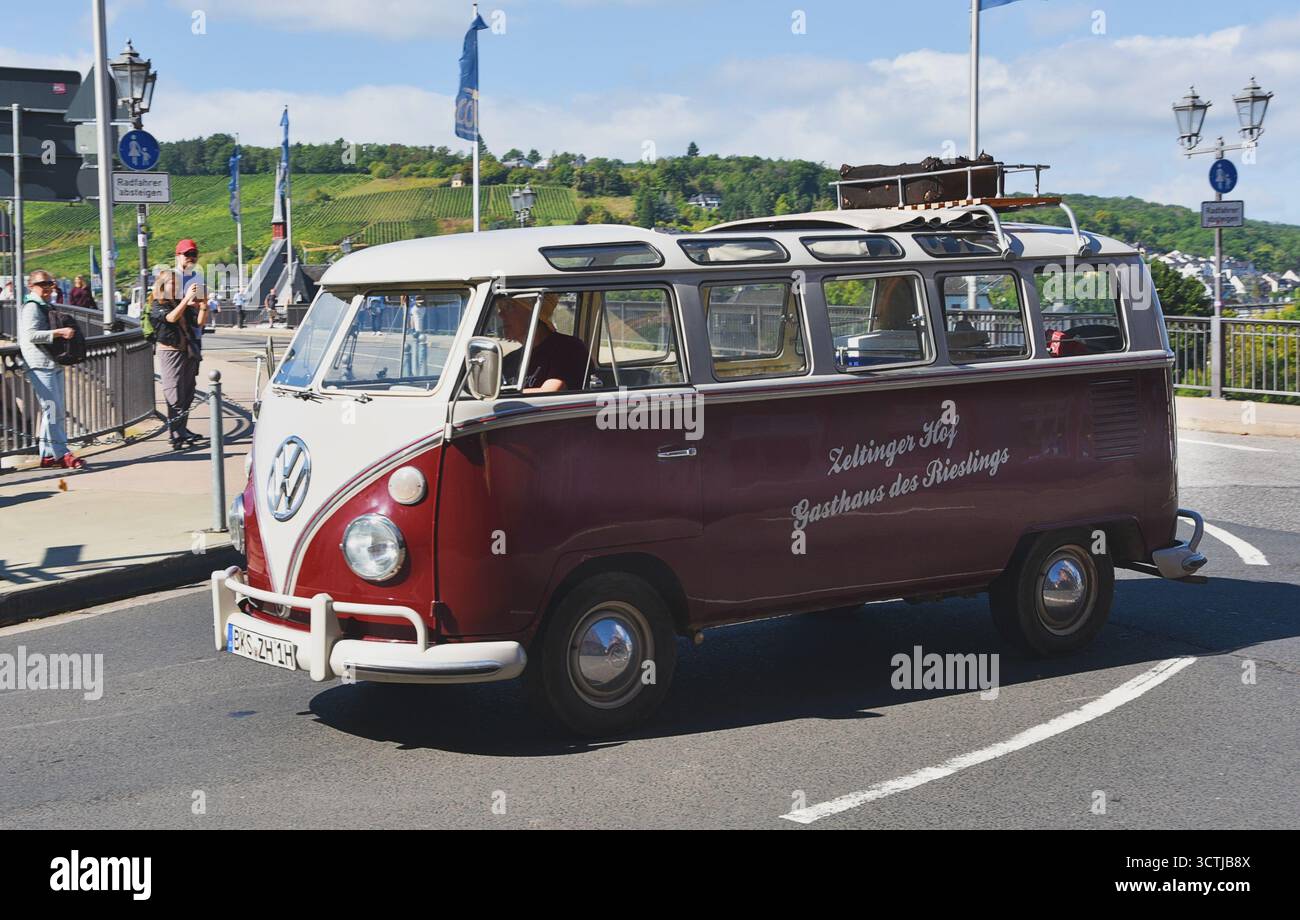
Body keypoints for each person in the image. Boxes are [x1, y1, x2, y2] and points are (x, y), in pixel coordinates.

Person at [17, 269, 85, 469]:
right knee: (53, 410)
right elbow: (31, 335)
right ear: (31, 287)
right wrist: (59, 332)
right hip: (39, 364)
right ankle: (62, 454)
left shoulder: (45, 305)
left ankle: (47, 455)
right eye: (42, 284)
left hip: (50, 363)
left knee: (53, 410)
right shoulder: (31, 307)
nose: (47, 288)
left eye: (50, 284)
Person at [150, 267, 208, 450]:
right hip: (170, 352)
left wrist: (204, 305)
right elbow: (171, 318)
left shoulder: (180, 303)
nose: (175, 288)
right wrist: (185, 300)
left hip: (187, 351)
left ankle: (182, 432)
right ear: (162, 286)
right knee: (173, 393)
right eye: (172, 284)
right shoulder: (157, 304)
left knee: (187, 393)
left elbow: (198, 323)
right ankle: (175, 435)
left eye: (178, 284)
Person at [497, 293, 589, 392]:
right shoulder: (510, 360)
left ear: (534, 313)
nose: (501, 314)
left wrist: (501, 395)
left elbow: (551, 391)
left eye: (509, 307)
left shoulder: (569, 349)